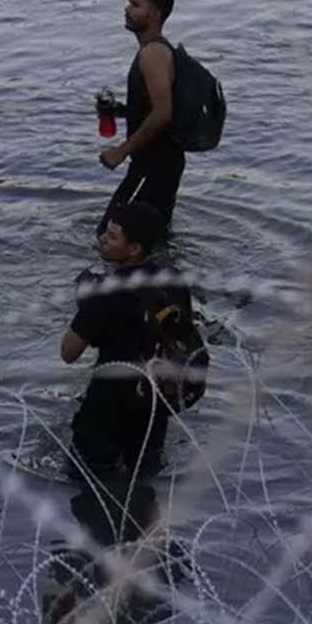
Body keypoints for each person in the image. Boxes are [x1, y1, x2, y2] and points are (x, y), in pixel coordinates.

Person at [61, 201, 192, 481]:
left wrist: (86, 300)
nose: (102, 240)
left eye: (111, 236)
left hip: (106, 406)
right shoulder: (174, 279)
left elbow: (69, 351)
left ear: (134, 249)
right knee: (144, 480)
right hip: (153, 406)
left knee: (86, 483)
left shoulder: (106, 291)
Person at [98, 0, 186, 235]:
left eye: (136, 5)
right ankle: (165, 272)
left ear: (156, 14)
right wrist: (120, 110)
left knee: (111, 235)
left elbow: (162, 113)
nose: (127, 9)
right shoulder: (153, 51)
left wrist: (120, 151)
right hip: (157, 164)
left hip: (155, 166)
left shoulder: (153, 54)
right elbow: (155, 107)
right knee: (148, 238)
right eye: (129, 3)